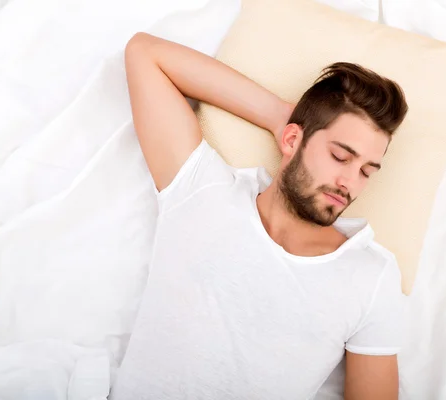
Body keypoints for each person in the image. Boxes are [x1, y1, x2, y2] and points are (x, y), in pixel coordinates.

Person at [110, 32, 408, 400]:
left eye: (366, 171)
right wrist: (280, 117)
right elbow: (145, 53)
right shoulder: (204, 191)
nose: (349, 182)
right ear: (291, 141)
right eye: (340, 156)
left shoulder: (370, 275)